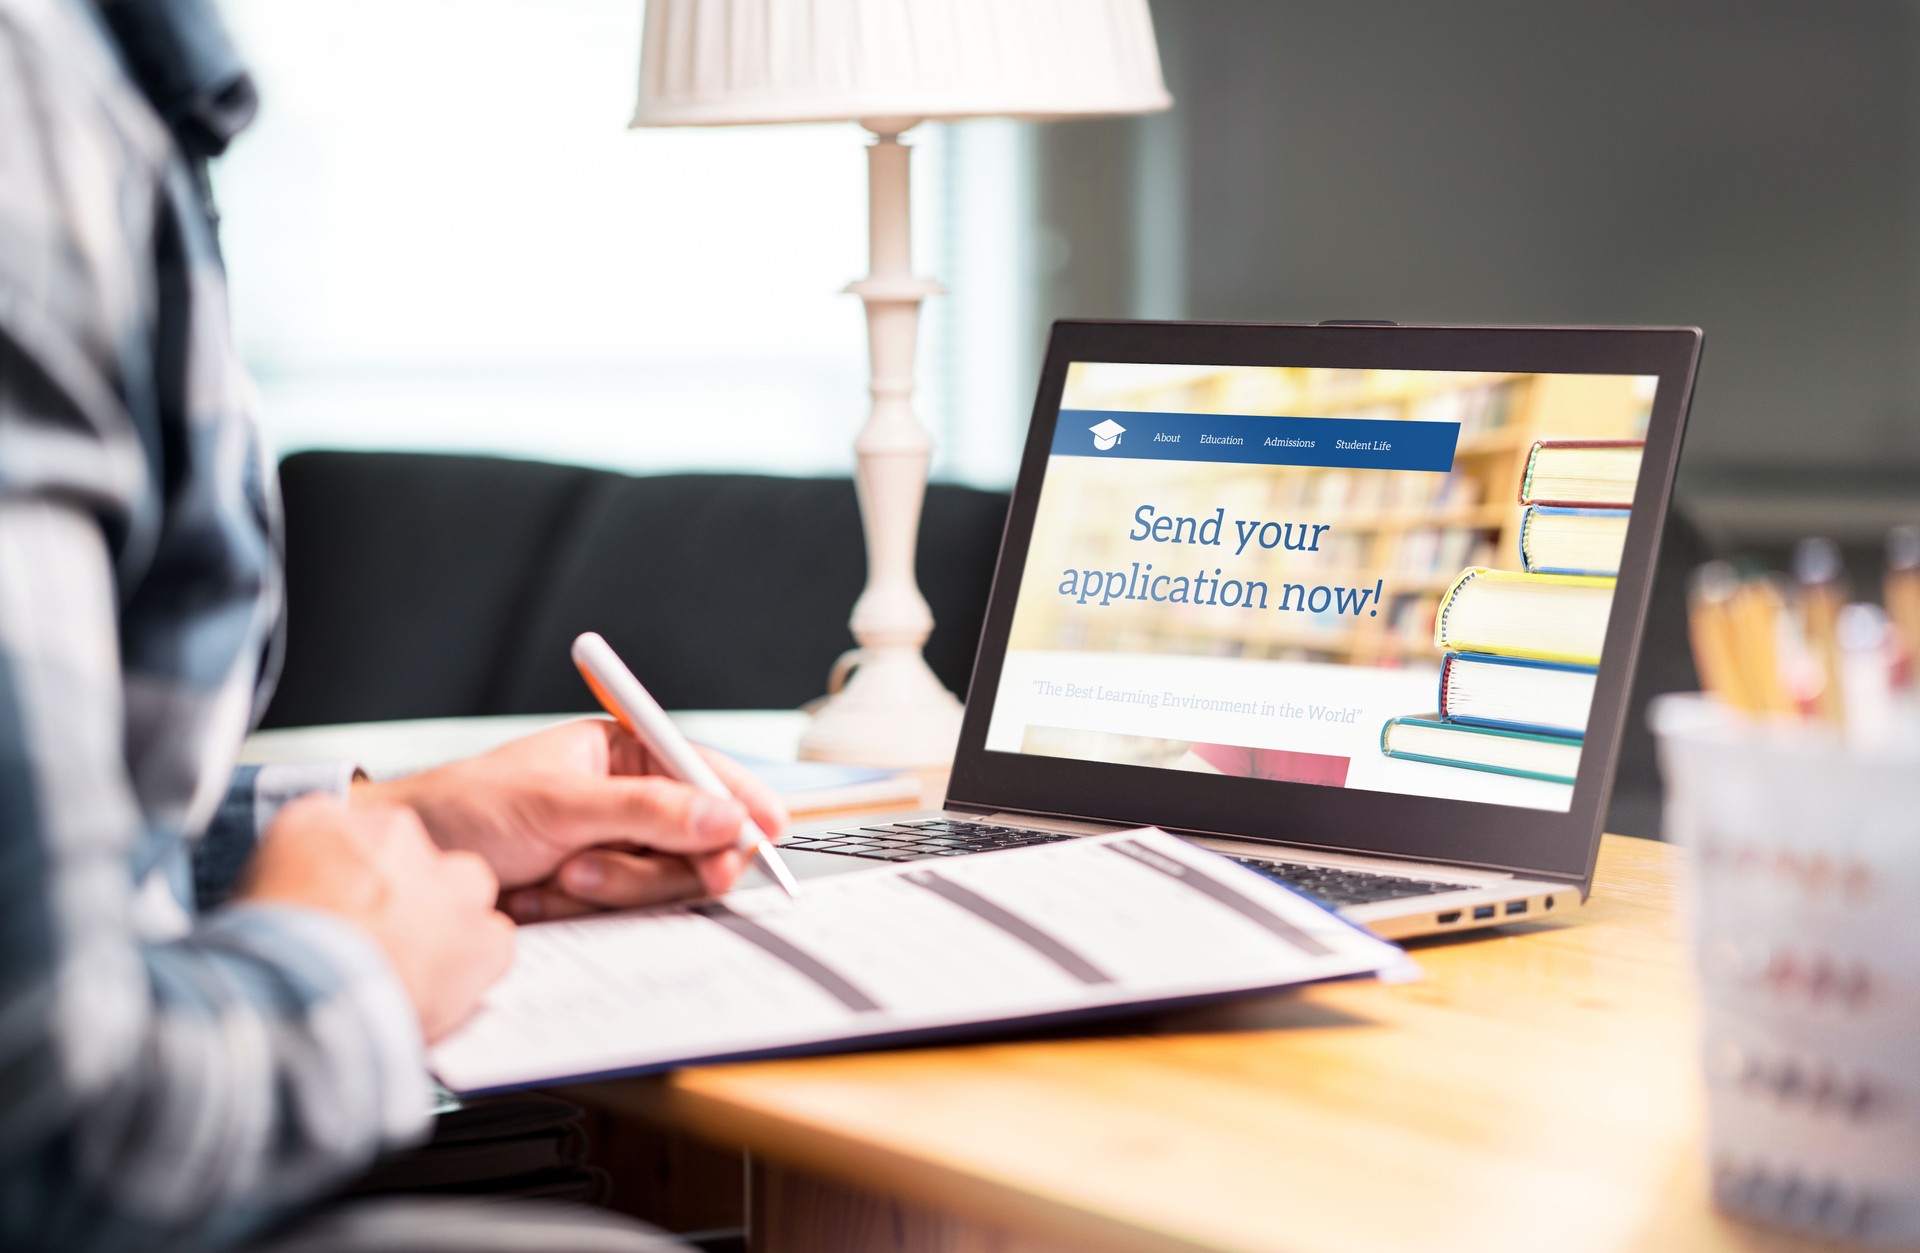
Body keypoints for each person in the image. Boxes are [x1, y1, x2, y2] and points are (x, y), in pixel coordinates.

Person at [0, 0, 785, 1247]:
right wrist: (348, 962)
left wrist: (390, 828)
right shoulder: (36, 110)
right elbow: (53, 1142)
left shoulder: (119, 94)